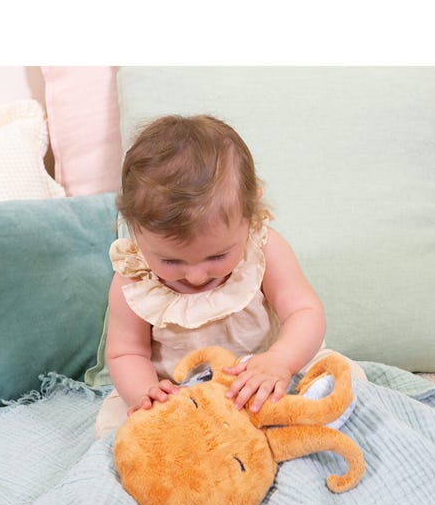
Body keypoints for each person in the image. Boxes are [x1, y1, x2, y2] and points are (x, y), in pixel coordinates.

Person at [95, 114, 349, 439]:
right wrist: (146, 393)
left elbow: (304, 311)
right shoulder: (134, 280)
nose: (196, 275)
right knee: (113, 427)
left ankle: (279, 433)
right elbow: (126, 352)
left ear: (250, 214)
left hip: (267, 375)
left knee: (343, 382)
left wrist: (280, 361)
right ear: (134, 228)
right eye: (170, 260)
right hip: (183, 395)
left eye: (217, 256)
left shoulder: (263, 251)